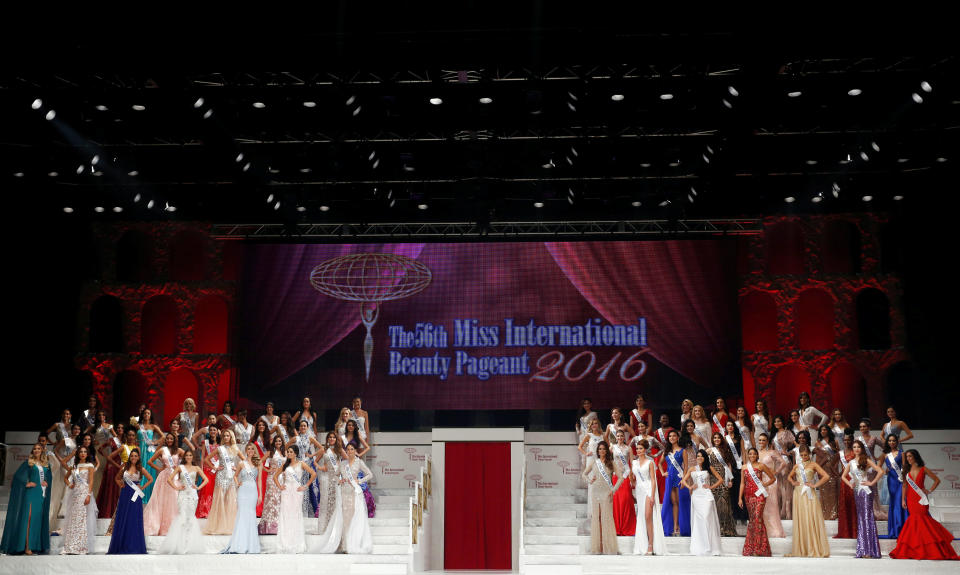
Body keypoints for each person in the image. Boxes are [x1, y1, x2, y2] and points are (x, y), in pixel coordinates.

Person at [889, 450, 959, 560]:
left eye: (910, 456)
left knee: (923, 521)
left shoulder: (923, 469)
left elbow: (937, 480)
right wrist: (903, 500)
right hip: (911, 499)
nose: (908, 459)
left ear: (915, 457)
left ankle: (929, 550)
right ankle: (917, 550)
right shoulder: (906, 470)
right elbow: (904, 486)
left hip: (921, 499)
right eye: (907, 457)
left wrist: (929, 490)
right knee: (914, 523)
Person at [0, 443, 52, 555]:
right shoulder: (28, 462)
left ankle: (34, 545)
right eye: (34, 449)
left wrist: (46, 482)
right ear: (32, 451)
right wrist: (26, 483)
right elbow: (17, 477)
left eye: (38, 448)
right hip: (30, 493)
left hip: (40, 494)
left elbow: (48, 478)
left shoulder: (46, 465)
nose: (36, 450)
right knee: (28, 518)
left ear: (42, 450)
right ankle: (26, 546)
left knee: (36, 520)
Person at [158, 449, 209, 554]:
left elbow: (206, 479)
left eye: (190, 455)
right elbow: (169, 479)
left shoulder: (196, 468)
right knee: (182, 517)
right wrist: (177, 488)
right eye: (187, 455)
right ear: (184, 457)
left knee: (190, 519)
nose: (189, 457)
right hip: (182, 495)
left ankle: (189, 545)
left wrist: (198, 487)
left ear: (193, 457)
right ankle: (180, 545)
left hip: (193, 496)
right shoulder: (180, 468)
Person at [785, 445, 830, 558]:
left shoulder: (813, 464)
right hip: (799, 493)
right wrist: (793, 482)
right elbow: (789, 477)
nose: (804, 457)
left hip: (809, 493)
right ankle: (803, 548)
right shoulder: (797, 466)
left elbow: (826, 476)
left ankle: (812, 546)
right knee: (801, 519)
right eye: (802, 455)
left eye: (806, 455)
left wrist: (815, 485)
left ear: (809, 454)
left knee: (810, 517)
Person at [106, 448, 153, 554]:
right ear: (129, 457)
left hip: (135, 495)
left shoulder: (141, 469)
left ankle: (134, 545)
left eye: (136, 456)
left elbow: (150, 479)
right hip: (125, 494)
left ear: (138, 457)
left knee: (134, 518)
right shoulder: (124, 467)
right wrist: (121, 485)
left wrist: (142, 487)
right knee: (124, 518)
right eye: (132, 456)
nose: (134, 458)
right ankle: (122, 544)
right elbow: (117, 478)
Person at [842, 440, 884, 558]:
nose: (856, 449)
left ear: (861, 448)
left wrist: (872, 482)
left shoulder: (866, 460)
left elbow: (880, 471)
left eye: (858, 447)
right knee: (862, 519)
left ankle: (869, 550)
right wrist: (850, 485)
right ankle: (864, 549)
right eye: (854, 447)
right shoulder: (850, 463)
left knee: (867, 518)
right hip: (857, 492)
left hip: (866, 492)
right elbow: (843, 476)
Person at [583, 441, 626, 554]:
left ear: (607, 451)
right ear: (597, 451)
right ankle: (598, 547)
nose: (601, 451)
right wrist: (589, 480)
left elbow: (621, 477)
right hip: (596, 492)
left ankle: (608, 547)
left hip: (607, 492)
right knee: (597, 518)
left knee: (606, 518)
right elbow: (584, 474)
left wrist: (613, 490)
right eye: (600, 449)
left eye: (603, 449)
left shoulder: (611, 463)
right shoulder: (594, 462)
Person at [276, 445, 317, 554]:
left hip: (297, 491)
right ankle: (285, 542)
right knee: (286, 515)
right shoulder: (285, 465)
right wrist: (280, 486)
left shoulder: (301, 463)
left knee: (295, 515)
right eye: (288, 452)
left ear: (295, 453)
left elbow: (313, 474)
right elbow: (275, 477)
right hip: (286, 491)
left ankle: (296, 542)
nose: (288, 453)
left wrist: (306, 485)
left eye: (290, 452)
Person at [222, 443, 262, 553]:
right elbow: (235, 476)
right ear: (246, 450)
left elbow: (259, 481)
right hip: (243, 491)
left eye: (252, 449)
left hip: (252, 491)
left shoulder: (258, 463)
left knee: (250, 516)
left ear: (254, 451)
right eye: (248, 449)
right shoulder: (241, 463)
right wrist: (237, 483)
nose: (250, 450)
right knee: (242, 515)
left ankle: (250, 544)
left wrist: (260, 495)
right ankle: (239, 543)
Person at [683, 449, 723, 556]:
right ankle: (700, 546)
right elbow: (683, 480)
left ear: (705, 457)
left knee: (706, 518)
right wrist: (690, 487)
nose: (699, 458)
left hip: (706, 495)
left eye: (701, 456)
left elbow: (720, 479)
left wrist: (711, 487)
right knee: (699, 520)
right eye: (698, 456)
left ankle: (710, 546)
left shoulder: (708, 468)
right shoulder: (692, 468)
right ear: (696, 458)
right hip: (696, 496)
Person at [630, 439, 668, 555]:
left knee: (648, 516)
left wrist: (652, 495)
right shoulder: (634, 463)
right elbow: (632, 477)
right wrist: (632, 482)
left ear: (645, 450)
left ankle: (651, 545)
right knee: (641, 517)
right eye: (637, 449)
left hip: (648, 490)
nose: (638, 451)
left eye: (641, 448)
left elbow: (653, 480)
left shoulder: (650, 462)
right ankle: (643, 544)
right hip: (639, 491)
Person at [60, 445, 98, 555]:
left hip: (84, 493)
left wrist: (89, 495)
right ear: (78, 454)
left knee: (82, 519)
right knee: (73, 518)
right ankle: (70, 546)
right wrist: (70, 484)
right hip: (74, 494)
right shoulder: (74, 466)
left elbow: (91, 482)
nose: (82, 453)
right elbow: (65, 478)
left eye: (85, 452)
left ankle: (80, 546)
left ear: (87, 454)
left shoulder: (90, 465)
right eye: (80, 452)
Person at [143, 433, 183, 535]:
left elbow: (189, 459)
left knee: (173, 500)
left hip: (174, 478)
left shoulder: (179, 450)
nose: (169, 440)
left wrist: (180, 469)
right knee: (161, 500)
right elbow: (150, 461)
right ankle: (159, 526)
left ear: (174, 440)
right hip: (163, 477)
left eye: (171, 438)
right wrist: (160, 468)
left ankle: (171, 526)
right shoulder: (162, 450)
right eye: (168, 438)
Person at [204, 428, 241, 534]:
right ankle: (218, 525)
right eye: (224, 436)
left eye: (227, 435)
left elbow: (244, 460)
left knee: (230, 500)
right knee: (219, 499)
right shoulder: (220, 449)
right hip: (221, 476)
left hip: (231, 476)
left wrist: (237, 468)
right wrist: (215, 468)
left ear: (231, 437)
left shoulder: (235, 449)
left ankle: (229, 525)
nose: (225, 437)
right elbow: (206, 459)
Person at [339, 443, 374, 554]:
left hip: (354, 492)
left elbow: (370, 474)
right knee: (345, 518)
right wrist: (339, 480)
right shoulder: (343, 463)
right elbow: (336, 475)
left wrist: (359, 481)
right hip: (344, 492)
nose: (349, 451)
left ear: (355, 450)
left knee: (355, 518)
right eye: (347, 449)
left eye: (352, 449)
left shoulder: (359, 462)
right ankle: (345, 546)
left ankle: (354, 543)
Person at [739, 447, 775, 557]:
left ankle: (760, 548)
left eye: (754, 454)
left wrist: (764, 484)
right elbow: (742, 484)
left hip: (759, 494)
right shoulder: (744, 467)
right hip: (748, 495)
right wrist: (740, 498)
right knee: (753, 520)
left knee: (757, 518)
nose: (752, 456)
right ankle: (753, 547)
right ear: (748, 455)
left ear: (757, 455)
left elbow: (772, 478)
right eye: (750, 454)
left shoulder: (761, 466)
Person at [312, 432, 345, 553]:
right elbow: (315, 462)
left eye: (333, 437)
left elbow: (347, 461)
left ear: (336, 439)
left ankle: (335, 526)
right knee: (325, 501)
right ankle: (325, 527)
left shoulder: (339, 450)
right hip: (326, 478)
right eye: (330, 437)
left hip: (335, 478)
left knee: (335, 501)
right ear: (327, 439)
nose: (331, 439)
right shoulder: (323, 450)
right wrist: (321, 468)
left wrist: (340, 468)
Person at [287, 420, 325, 517]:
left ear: (307, 427)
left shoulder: (310, 438)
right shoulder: (296, 438)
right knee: (295, 485)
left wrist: (312, 455)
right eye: (301, 426)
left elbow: (321, 448)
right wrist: (290, 458)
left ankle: (304, 512)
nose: (303, 427)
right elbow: (286, 447)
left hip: (306, 463)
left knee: (304, 487)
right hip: (297, 464)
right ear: (299, 428)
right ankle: (294, 511)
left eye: (305, 426)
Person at [659, 429, 690, 536]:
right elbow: (659, 463)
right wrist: (663, 472)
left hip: (679, 477)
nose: (672, 438)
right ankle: (675, 526)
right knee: (673, 502)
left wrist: (684, 479)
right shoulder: (666, 451)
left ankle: (682, 526)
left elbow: (686, 466)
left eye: (674, 436)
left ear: (677, 437)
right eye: (670, 436)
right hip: (670, 478)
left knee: (680, 501)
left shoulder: (683, 451)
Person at [755, 433, 785, 537]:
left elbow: (783, 462)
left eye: (763, 440)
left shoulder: (772, 452)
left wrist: (775, 472)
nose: (761, 442)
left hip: (770, 481)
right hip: (758, 481)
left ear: (767, 441)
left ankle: (774, 531)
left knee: (771, 505)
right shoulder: (756, 452)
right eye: (760, 440)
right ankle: (762, 529)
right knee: (760, 506)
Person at [707, 431, 737, 536]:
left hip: (724, 478)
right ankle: (715, 529)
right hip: (712, 478)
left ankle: (725, 528)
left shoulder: (726, 451)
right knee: (714, 503)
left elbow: (728, 465)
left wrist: (730, 480)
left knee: (724, 503)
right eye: (714, 438)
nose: (716, 440)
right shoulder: (709, 451)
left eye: (718, 438)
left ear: (721, 439)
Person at [131, 408, 163, 504]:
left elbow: (163, 437)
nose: (146, 415)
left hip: (149, 451)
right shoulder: (138, 426)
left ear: (150, 415)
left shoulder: (153, 426)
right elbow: (133, 436)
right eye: (145, 413)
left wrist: (154, 442)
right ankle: (137, 495)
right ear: (142, 415)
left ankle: (148, 496)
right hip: (140, 450)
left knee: (149, 471)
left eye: (148, 413)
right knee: (139, 471)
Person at [879, 434, 908, 539]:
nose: (891, 443)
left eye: (893, 441)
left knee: (900, 502)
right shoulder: (885, 454)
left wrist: (903, 475)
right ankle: (895, 529)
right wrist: (885, 471)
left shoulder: (902, 453)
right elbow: (878, 468)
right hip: (891, 481)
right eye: (889, 441)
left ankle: (902, 528)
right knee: (894, 502)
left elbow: (905, 467)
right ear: (887, 442)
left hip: (900, 480)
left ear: (897, 442)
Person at [259, 435, 287, 535]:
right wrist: (267, 470)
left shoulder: (285, 453)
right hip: (272, 479)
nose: (278, 443)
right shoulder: (270, 453)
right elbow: (260, 462)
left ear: (282, 442)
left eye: (280, 441)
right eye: (276, 441)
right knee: (272, 500)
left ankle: (279, 525)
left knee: (280, 500)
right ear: (274, 443)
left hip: (282, 479)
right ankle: (269, 527)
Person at [610, 429, 636, 536]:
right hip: (616, 477)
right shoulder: (612, 448)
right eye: (618, 436)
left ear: (624, 437)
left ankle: (626, 527)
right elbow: (608, 461)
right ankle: (617, 528)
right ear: (616, 437)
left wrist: (632, 476)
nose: (620, 438)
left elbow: (632, 463)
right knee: (616, 502)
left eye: (621, 436)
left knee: (626, 500)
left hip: (625, 477)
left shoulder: (629, 448)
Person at [578, 417, 604, 520]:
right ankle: (592, 512)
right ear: (590, 426)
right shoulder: (589, 435)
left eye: (596, 423)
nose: (594, 425)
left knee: (601, 484)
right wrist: (586, 453)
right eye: (592, 424)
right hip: (591, 461)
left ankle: (601, 511)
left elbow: (607, 447)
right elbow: (580, 446)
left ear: (598, 425)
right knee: (592, 485)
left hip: (601, 461)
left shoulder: (602, 436)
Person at [814, 424, 841, 520]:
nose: (823, 431)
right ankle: (825, 512)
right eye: (821, 430)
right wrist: (818, 469)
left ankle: (834, 512)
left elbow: (838, 456)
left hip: (832, 467)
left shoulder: (835, 442)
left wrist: (835, 467)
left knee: (833, 490)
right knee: (824, 491)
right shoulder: (817, 443)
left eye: (825, 430)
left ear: (828, 431)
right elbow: (817, 458)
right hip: (823, 468)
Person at [771, 414, 795, 519]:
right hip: (777, 462)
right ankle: (781, 510)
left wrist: (788, 453)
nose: (777, 423)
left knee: (786, 486)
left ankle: (786, 511)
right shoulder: (774, 434)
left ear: (782, 422)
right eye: (775, 422)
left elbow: (795, 444)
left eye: (779, 421)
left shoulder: (787, 432)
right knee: (779, 486)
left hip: (785, 461)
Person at [835, 429, 858, 539]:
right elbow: (831, 464)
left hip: (854, 479)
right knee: (845, 504)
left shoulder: (856, 452)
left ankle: (854, 531)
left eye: (849, 440)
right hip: (845, 480)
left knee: (854, 504)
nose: (847, 442)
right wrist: (838, 474)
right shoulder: (841, 453)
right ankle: (845, 531)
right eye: (845, 440)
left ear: (852, 440)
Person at [195, 424, 220, 519]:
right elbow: (202, 457)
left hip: (217, 469)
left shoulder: (221, 443)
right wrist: (201, 469)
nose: (213, 431)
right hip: (207, 469)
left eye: (214, 430)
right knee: (206, 490)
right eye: (211, 430)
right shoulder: (205, 442)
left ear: (217, 431)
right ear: (209, 432)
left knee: (215, 489)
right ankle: (204, 511)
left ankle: (214, 511)